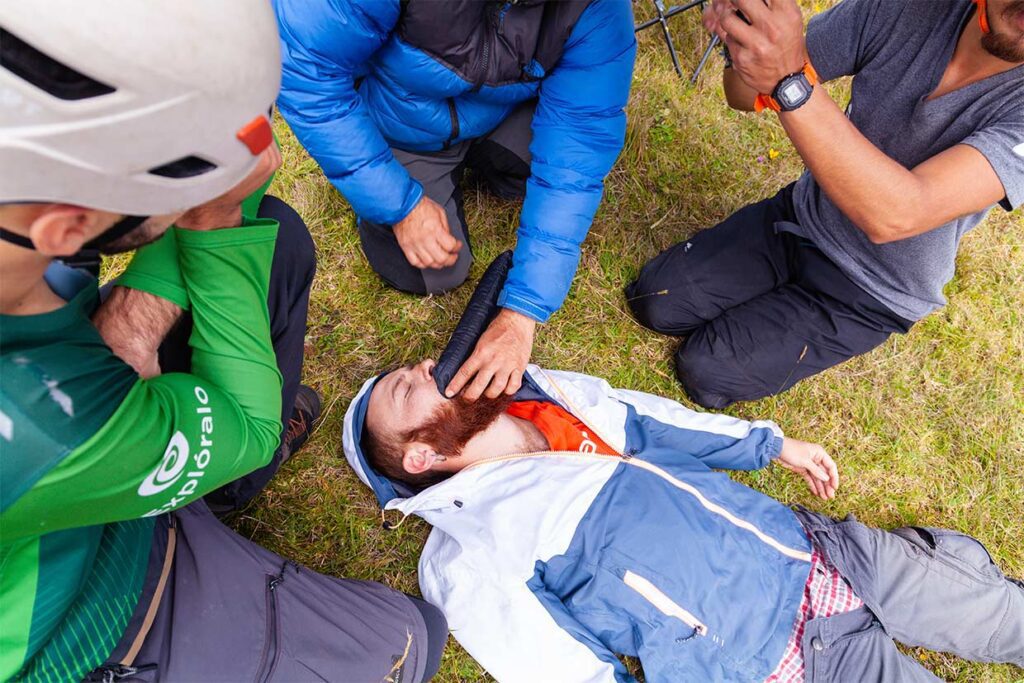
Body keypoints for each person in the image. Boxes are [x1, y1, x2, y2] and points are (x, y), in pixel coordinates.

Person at [0, 3, 445, 681]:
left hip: (71, 469)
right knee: (416, 639)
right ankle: (199, 485)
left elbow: (236, 165)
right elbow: (244, 420)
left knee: (273, 237)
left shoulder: (24, 222)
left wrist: (139, 314)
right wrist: (211, 215)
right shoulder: (41, 424)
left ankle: (199, 474)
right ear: (66, 223)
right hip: (93, 617)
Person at [342, 359, 1024, 682]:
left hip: (822, 549)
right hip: (791, 660)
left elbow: (656, 421)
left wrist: (771, 444)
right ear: (422, 452)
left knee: (1001, 612)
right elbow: (563, 670)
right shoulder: (469, 557)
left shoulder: (547, 397)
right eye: (410, 387)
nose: (428, 364)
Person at [626, 0, 1024, 409]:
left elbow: (899, 213)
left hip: (872, 291)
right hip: (802, 218)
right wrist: (748, 29)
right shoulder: (909, 8)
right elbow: (743, 93)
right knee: (654, 300)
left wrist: (789, 81)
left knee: (706, 369)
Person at [272, 0, 636, 401]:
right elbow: (303, 71)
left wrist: (523, 312)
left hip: (497, 113)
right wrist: (400, 204)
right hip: (402, 123)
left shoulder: (597, 9)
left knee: (545, 156)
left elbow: (575, 157)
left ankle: (470, 167)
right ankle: (396, 174)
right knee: (435, 273)